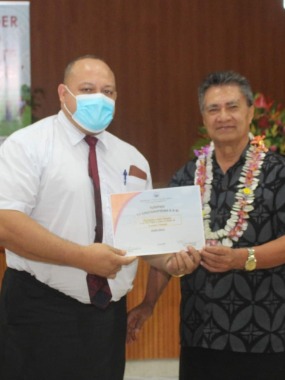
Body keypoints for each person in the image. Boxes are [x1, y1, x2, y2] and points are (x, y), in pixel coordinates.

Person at [0, 55, 198, 380]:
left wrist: (169, 261)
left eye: (108, 91)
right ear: (64, 94)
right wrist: (82, 258)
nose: (100, 98)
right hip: (38, 311)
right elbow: (5, 223)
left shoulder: (132, 158)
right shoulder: (28, 146)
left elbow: (141, 237)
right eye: (88, 89)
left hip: (107, 319)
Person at [127, 71, 285, 380]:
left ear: (251, 111)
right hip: (199, 333)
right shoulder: (185, 177)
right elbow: (165, 249)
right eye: (213, 109)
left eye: (232, 106)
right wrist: (148, 303)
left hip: (266, 335)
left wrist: (244, 259)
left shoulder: (278, 172)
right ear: (203, 117)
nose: (223, 116)